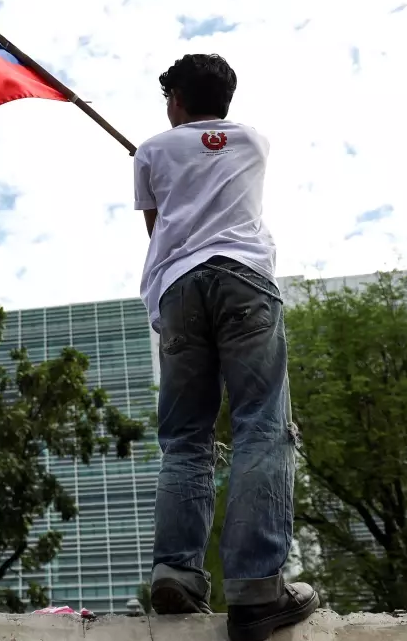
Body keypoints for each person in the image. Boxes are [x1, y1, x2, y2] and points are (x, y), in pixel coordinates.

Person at [133, 54, 319, 641]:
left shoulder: (151, 151)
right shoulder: (255, 142)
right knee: (262, 426)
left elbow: (159, 229)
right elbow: (210, 165)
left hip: (181, 289)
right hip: (244, 280)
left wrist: (169, 179)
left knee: (185, 437)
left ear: (175, 100)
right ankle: (258, 589)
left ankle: (177, 573)